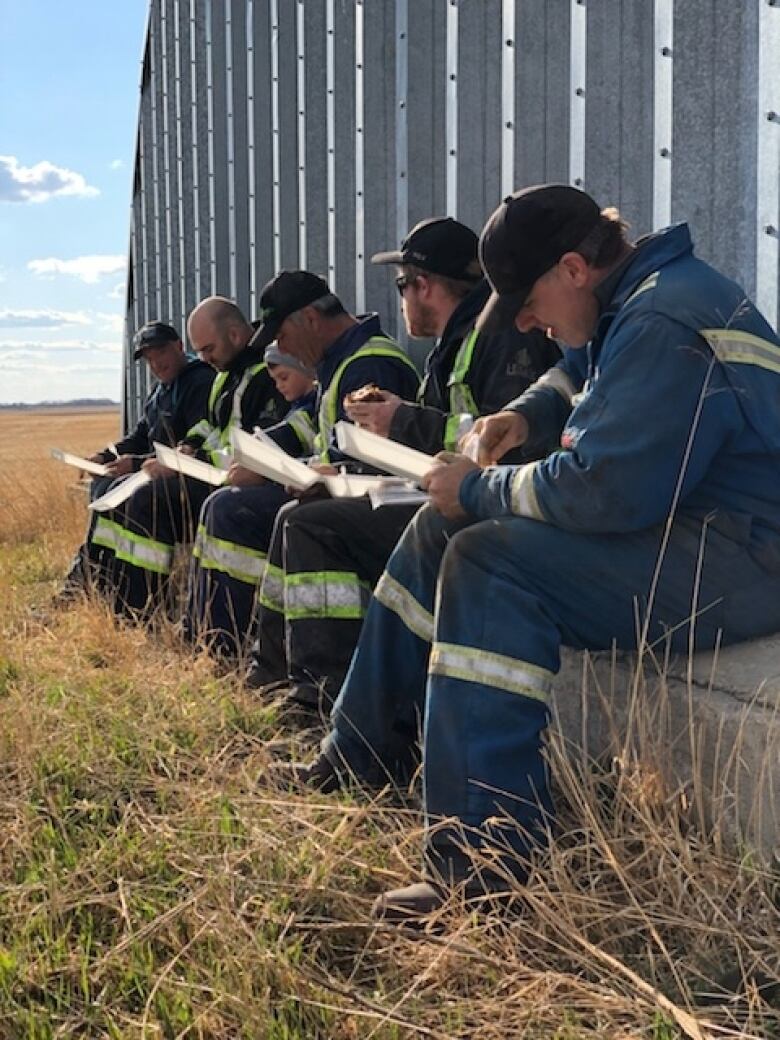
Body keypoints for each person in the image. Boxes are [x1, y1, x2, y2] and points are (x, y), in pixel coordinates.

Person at [278, 184, 780, 922]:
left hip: (742, 557)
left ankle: (484, 868)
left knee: (489, 559)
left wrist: (481, 488)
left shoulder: (664, 315)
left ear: (575, 268)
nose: (522, 321)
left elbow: (602, 493)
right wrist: (521, 412)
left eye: (526, 300)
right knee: (436, 529)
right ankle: (361, 750)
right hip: (698, 532)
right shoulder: (641, 294)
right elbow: (577, 371)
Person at [246, 217, 559, 709]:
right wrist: (346, 473)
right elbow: (434, 448)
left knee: (311, 526)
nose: (400, 300)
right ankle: (282, 677)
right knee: (298, 515)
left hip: (486, 510)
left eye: (401, 286)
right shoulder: (455, 344)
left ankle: (322, 697)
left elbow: (510, 447)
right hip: (448, 498)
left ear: (424, 285)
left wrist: (403, 420)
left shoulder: (501, 338)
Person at [183, 270, 420, 660]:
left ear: (310, 319)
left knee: (234, 510)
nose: (283, 349)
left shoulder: (369, 366)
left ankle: (259, 656)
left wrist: (277, 473)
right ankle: (220, 641)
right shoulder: (339, 364)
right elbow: (316, 437)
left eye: (283, 337)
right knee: (225, 504)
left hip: (368, 505)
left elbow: (370, 462)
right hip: (332, 491)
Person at [91, 298, 287, 618]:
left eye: (208, 349)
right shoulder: (224, 374)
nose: (205, 358)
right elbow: (208, 425)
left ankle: (141, 607)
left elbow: (254, 445)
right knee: (121, 490)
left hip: (238, 482)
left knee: (147, 498)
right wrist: (187, 446)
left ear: (236, 336)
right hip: (212, 475)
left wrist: (183, 462)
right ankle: (112, 591)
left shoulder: (263, 375)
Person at [58, 320, 214, 602]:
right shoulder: (159, 393)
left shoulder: (199, 382)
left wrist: (137, 462)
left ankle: (138, 599)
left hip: (191, 482)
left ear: (180, 347)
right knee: (105, 487)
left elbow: (196, 445)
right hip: (158, 474)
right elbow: (140, 435)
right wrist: (104, 456)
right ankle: (99, 580)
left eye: (160, 354)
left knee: (134, 496)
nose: (156, 364)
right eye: (149, 359)